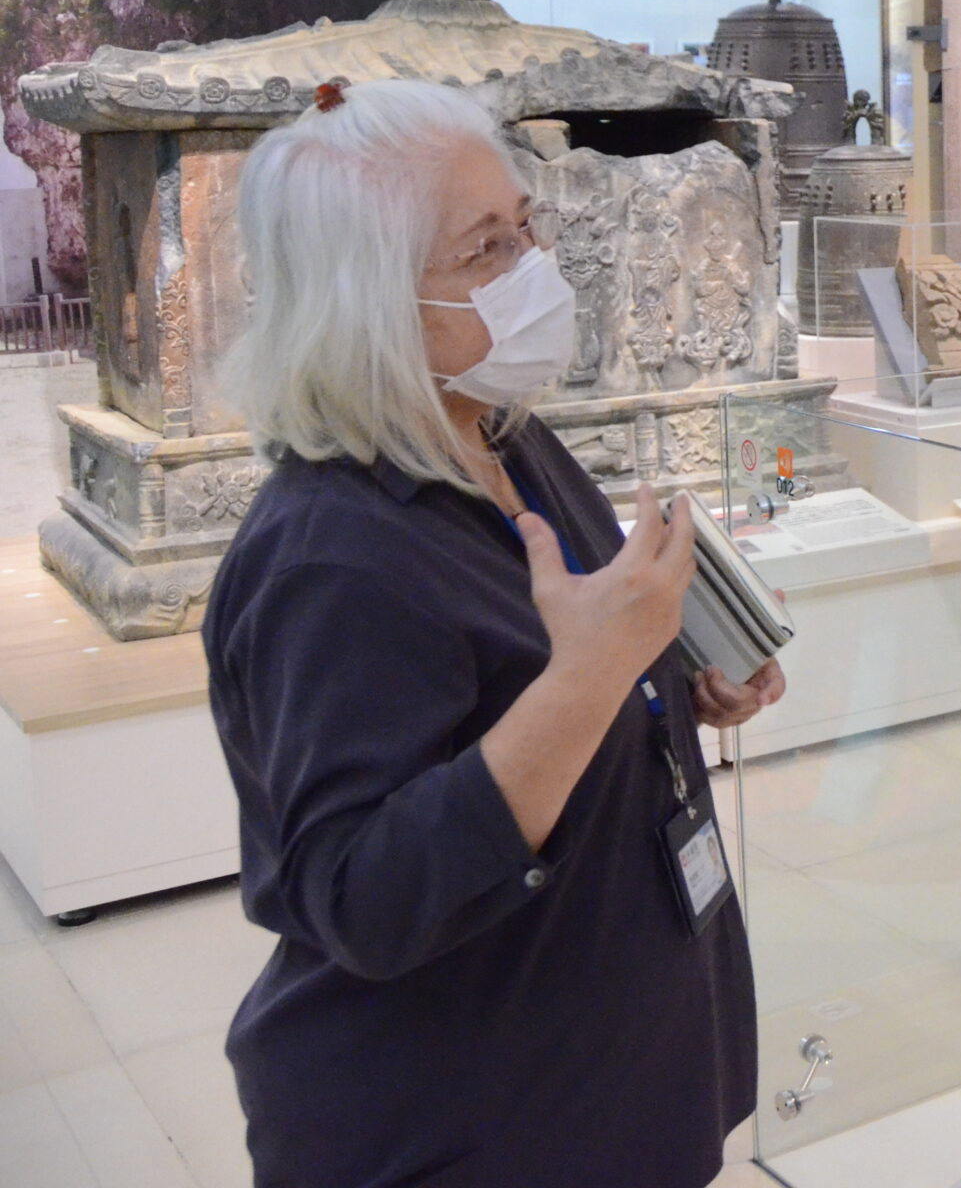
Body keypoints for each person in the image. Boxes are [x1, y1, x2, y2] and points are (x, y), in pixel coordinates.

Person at [203, 77, 785, 1187]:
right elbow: (365, 897)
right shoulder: (328, 556)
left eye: (528, 228)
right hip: (462, 1116)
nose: (533, 269)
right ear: (363, 299)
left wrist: (671, 675)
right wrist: (599, 669)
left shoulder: (500, 436)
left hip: (605, 1052)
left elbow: (550, 672)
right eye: (484, 250)